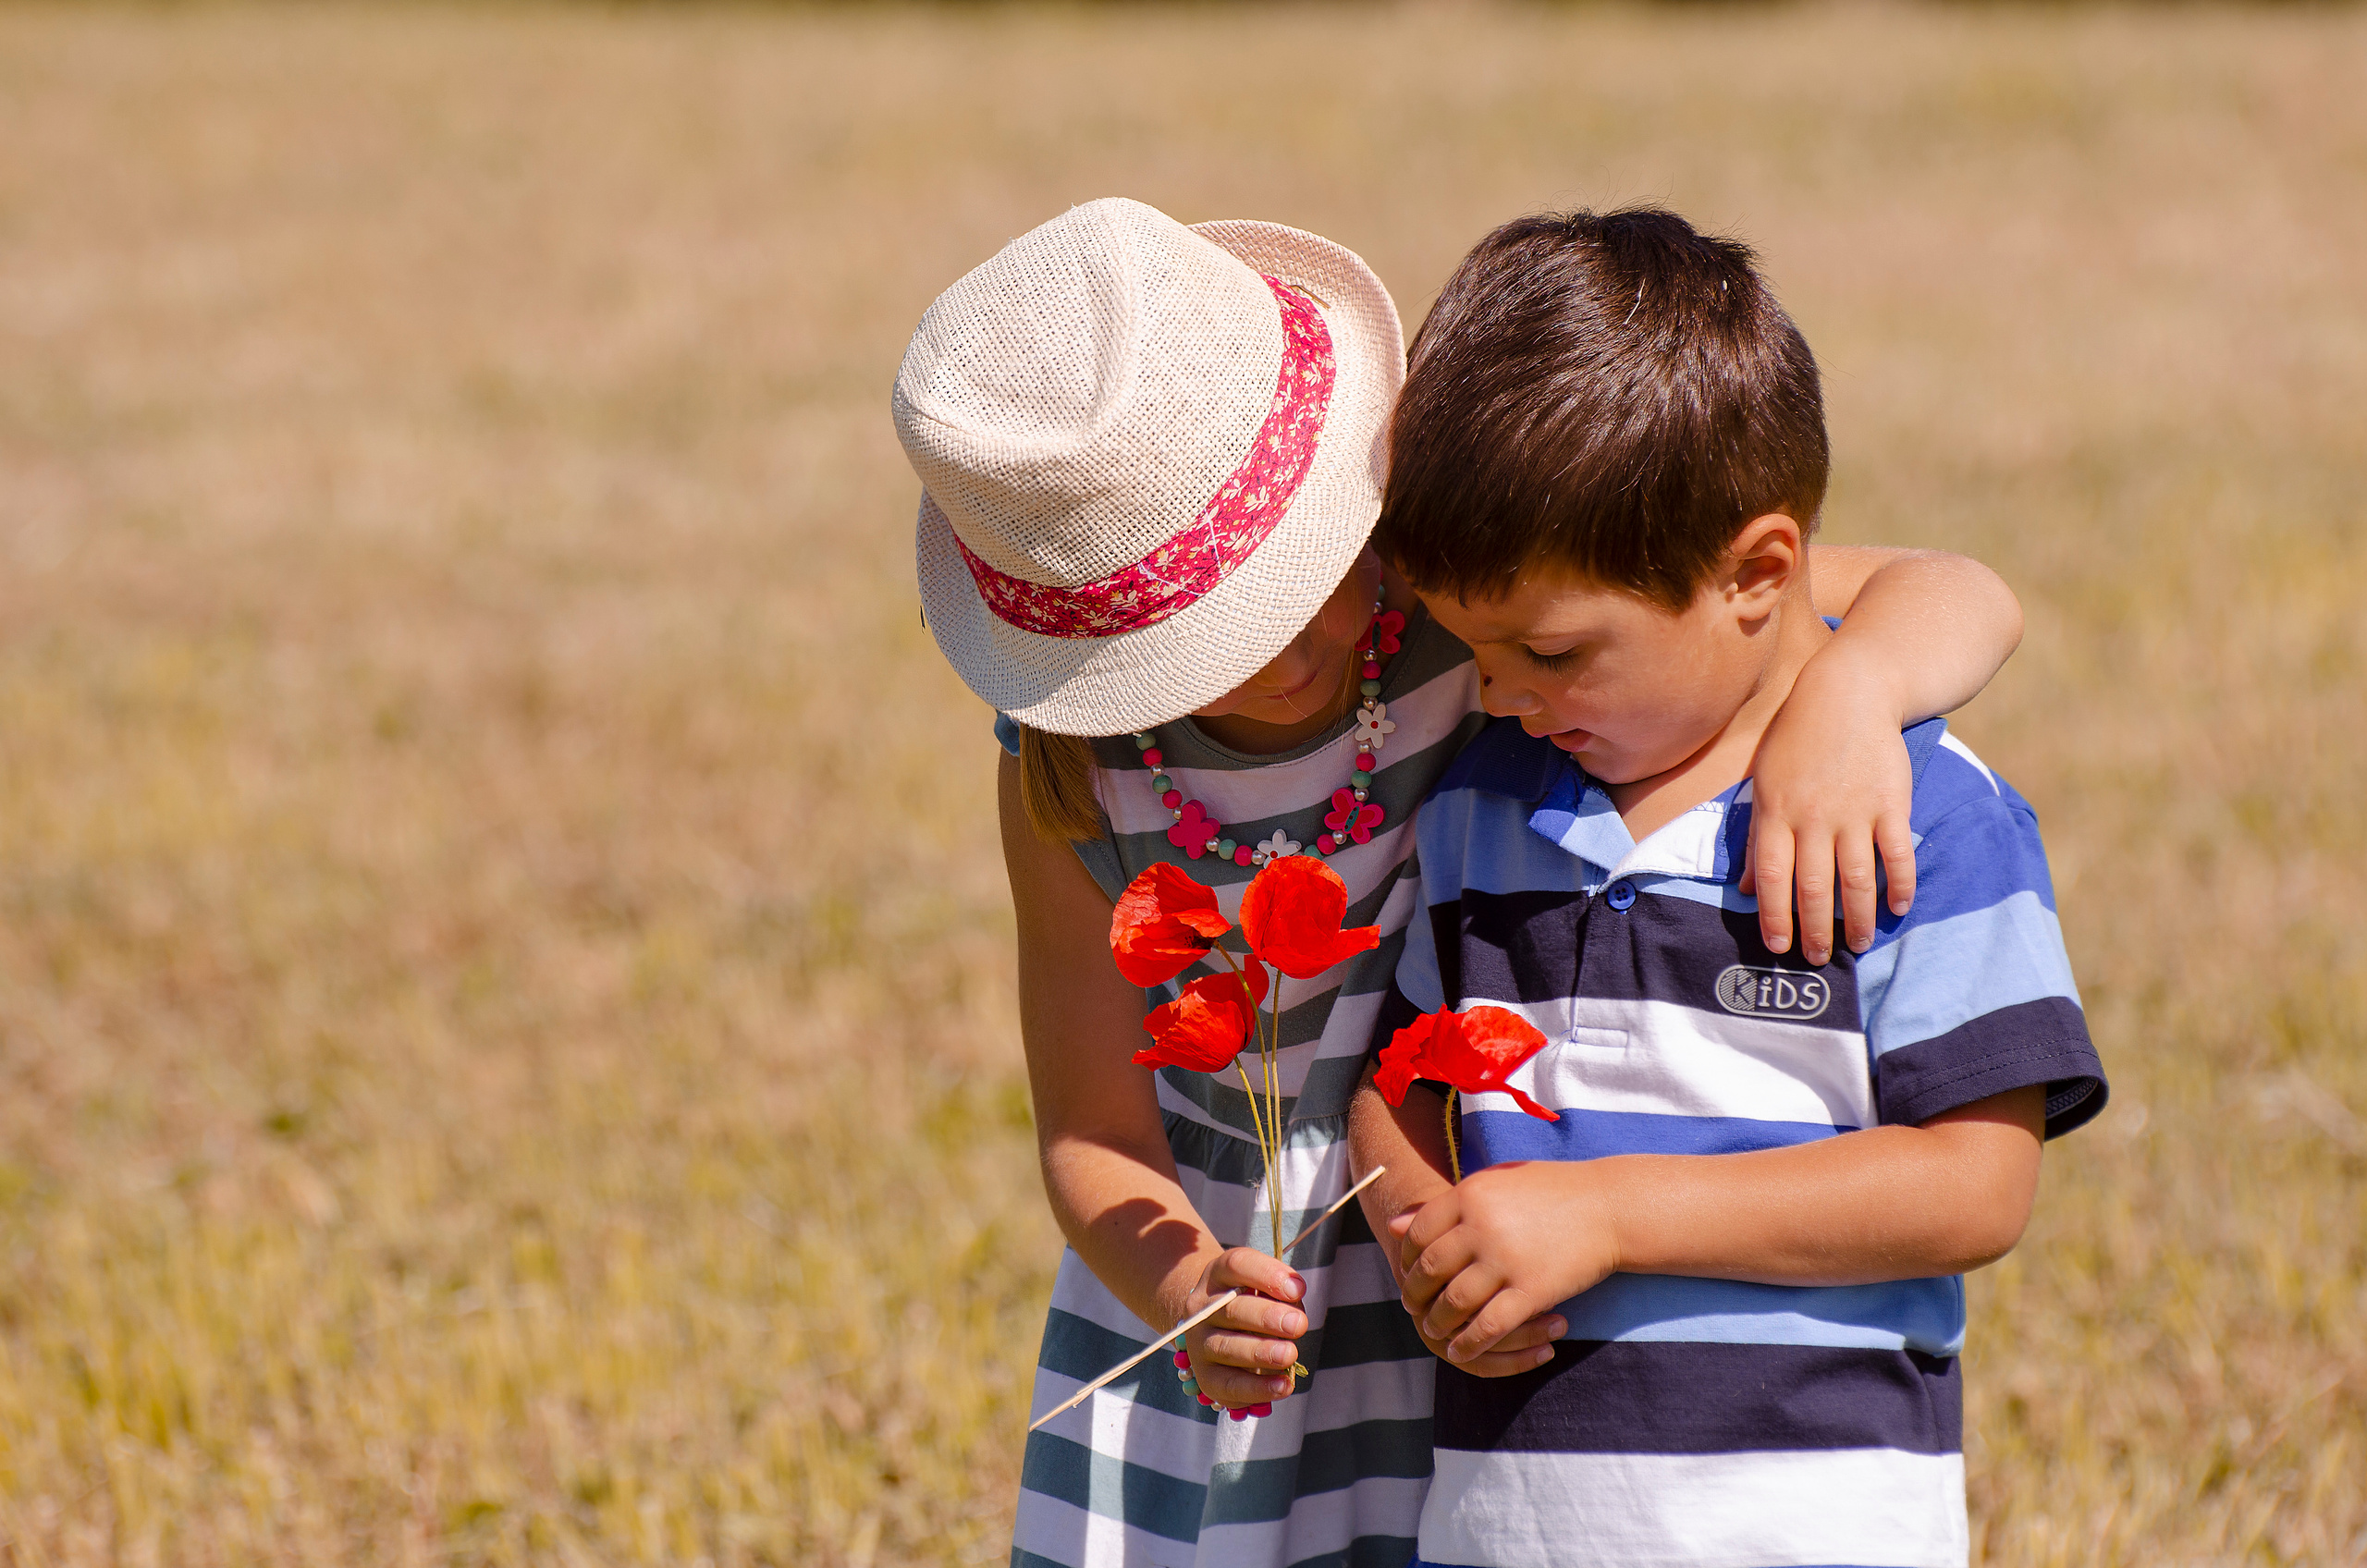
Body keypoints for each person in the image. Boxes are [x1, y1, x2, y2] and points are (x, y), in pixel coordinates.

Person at [895, 197, 2029, 1568]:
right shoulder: (1077, 769)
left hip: (1501, 1278)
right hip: (1245, 1326)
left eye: (1292, 578)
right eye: (1197, 639)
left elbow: (1934, 587)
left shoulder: (1476, 615)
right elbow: (1090, 1128)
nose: (1283, 658)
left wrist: (1855, 690)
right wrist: (1186, 1281)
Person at [1347, 207, 2108, 1568]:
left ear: (1757, 573)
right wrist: (1422, 1236)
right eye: (1476, 652)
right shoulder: (1481, 809)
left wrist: (1612, 1212)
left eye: (1553, 651)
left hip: (1803, 1528)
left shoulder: (1923, 815)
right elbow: (1403, 1076)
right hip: (1501, 1527)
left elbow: (1976, 1186)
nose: (1503, 696)